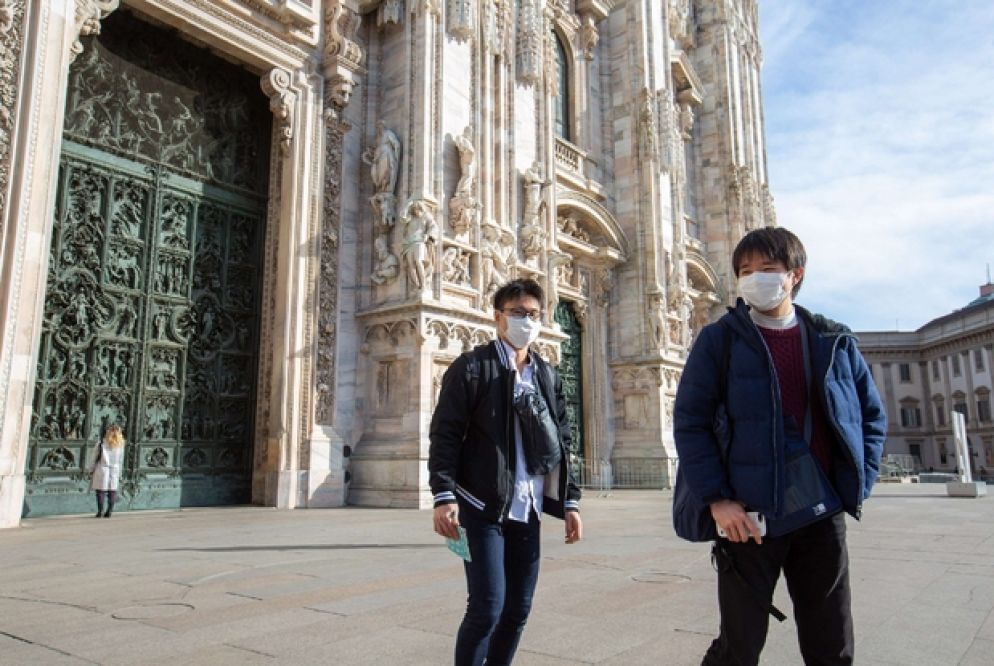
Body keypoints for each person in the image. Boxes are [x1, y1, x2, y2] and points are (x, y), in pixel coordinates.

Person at [673, 227, 887, 666]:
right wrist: (717, 500)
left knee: (832, 643)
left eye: (767, 270)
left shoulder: (833, 341)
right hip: (749, 520)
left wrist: (857, 480)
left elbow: (870, 417)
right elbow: (691, 423)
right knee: (740, 644)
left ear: (795, 275)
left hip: (822, 513)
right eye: (745, 271)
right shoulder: (720, 340)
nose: (755, 279)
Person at [429, 278, 583, 666]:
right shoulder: (472, 368)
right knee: (487, 606)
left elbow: (563, 439)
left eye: (532, 314)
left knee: (518, 609)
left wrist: (570, 500)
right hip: (481, 506)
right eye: (517, 314)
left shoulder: (546, 375)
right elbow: (445, 433)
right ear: (498, 318)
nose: (526, 321)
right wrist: (443, 494)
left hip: (527, 508)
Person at [90, 424, 126, 518]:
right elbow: (121, 460)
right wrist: (120, 473)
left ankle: (100, 511)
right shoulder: (120, 444)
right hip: (115, 468)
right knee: (112, 491)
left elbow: (94, 457)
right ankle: (109, 511)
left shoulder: (102, 443)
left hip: (102, 468)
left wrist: (91, 468)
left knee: (101, 491)